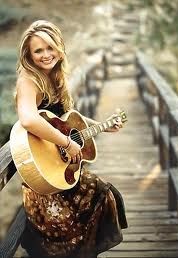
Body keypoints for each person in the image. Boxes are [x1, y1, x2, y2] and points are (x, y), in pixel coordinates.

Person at [14, 20, 127, 258]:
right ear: (28, 54)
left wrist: (103, 126)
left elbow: (65, 119)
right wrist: (66, 143)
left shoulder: (54, 76)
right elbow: (29, 120)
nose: (46, 55)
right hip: (44, 178)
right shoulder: (29, 80)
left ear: (59, 47)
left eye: (50, 48)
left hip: (60, 167)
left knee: (103, 196)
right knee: (68, 231)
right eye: (38, 50)